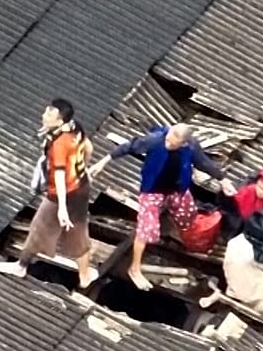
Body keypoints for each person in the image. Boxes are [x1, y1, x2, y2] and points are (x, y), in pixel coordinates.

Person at [89, 123, 235, 291]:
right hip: (152, 191)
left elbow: (204, 163)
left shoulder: (190, 146)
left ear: (183, 143)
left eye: (173, 143)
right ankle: (134, 269)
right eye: (168, 139)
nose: (168, 144)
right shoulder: (155, 140)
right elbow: (128, 147)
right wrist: (102, 163)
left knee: (188, 215)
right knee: (147, 230)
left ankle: (180, 236)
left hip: (176, 188)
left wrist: (223, 180)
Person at [0, 99, 98, 288]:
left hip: (63, 194)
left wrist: (61, 209)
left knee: (39, 226)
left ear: (59, 121)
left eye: (49, 114)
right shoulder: (75, 127)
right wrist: (82, 170)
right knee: (77, 231)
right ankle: (85, 275)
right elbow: (88, 148)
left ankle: (21, 266)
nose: (44, 115)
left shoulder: (60, 144)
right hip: (80, 188)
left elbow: (58, 174)